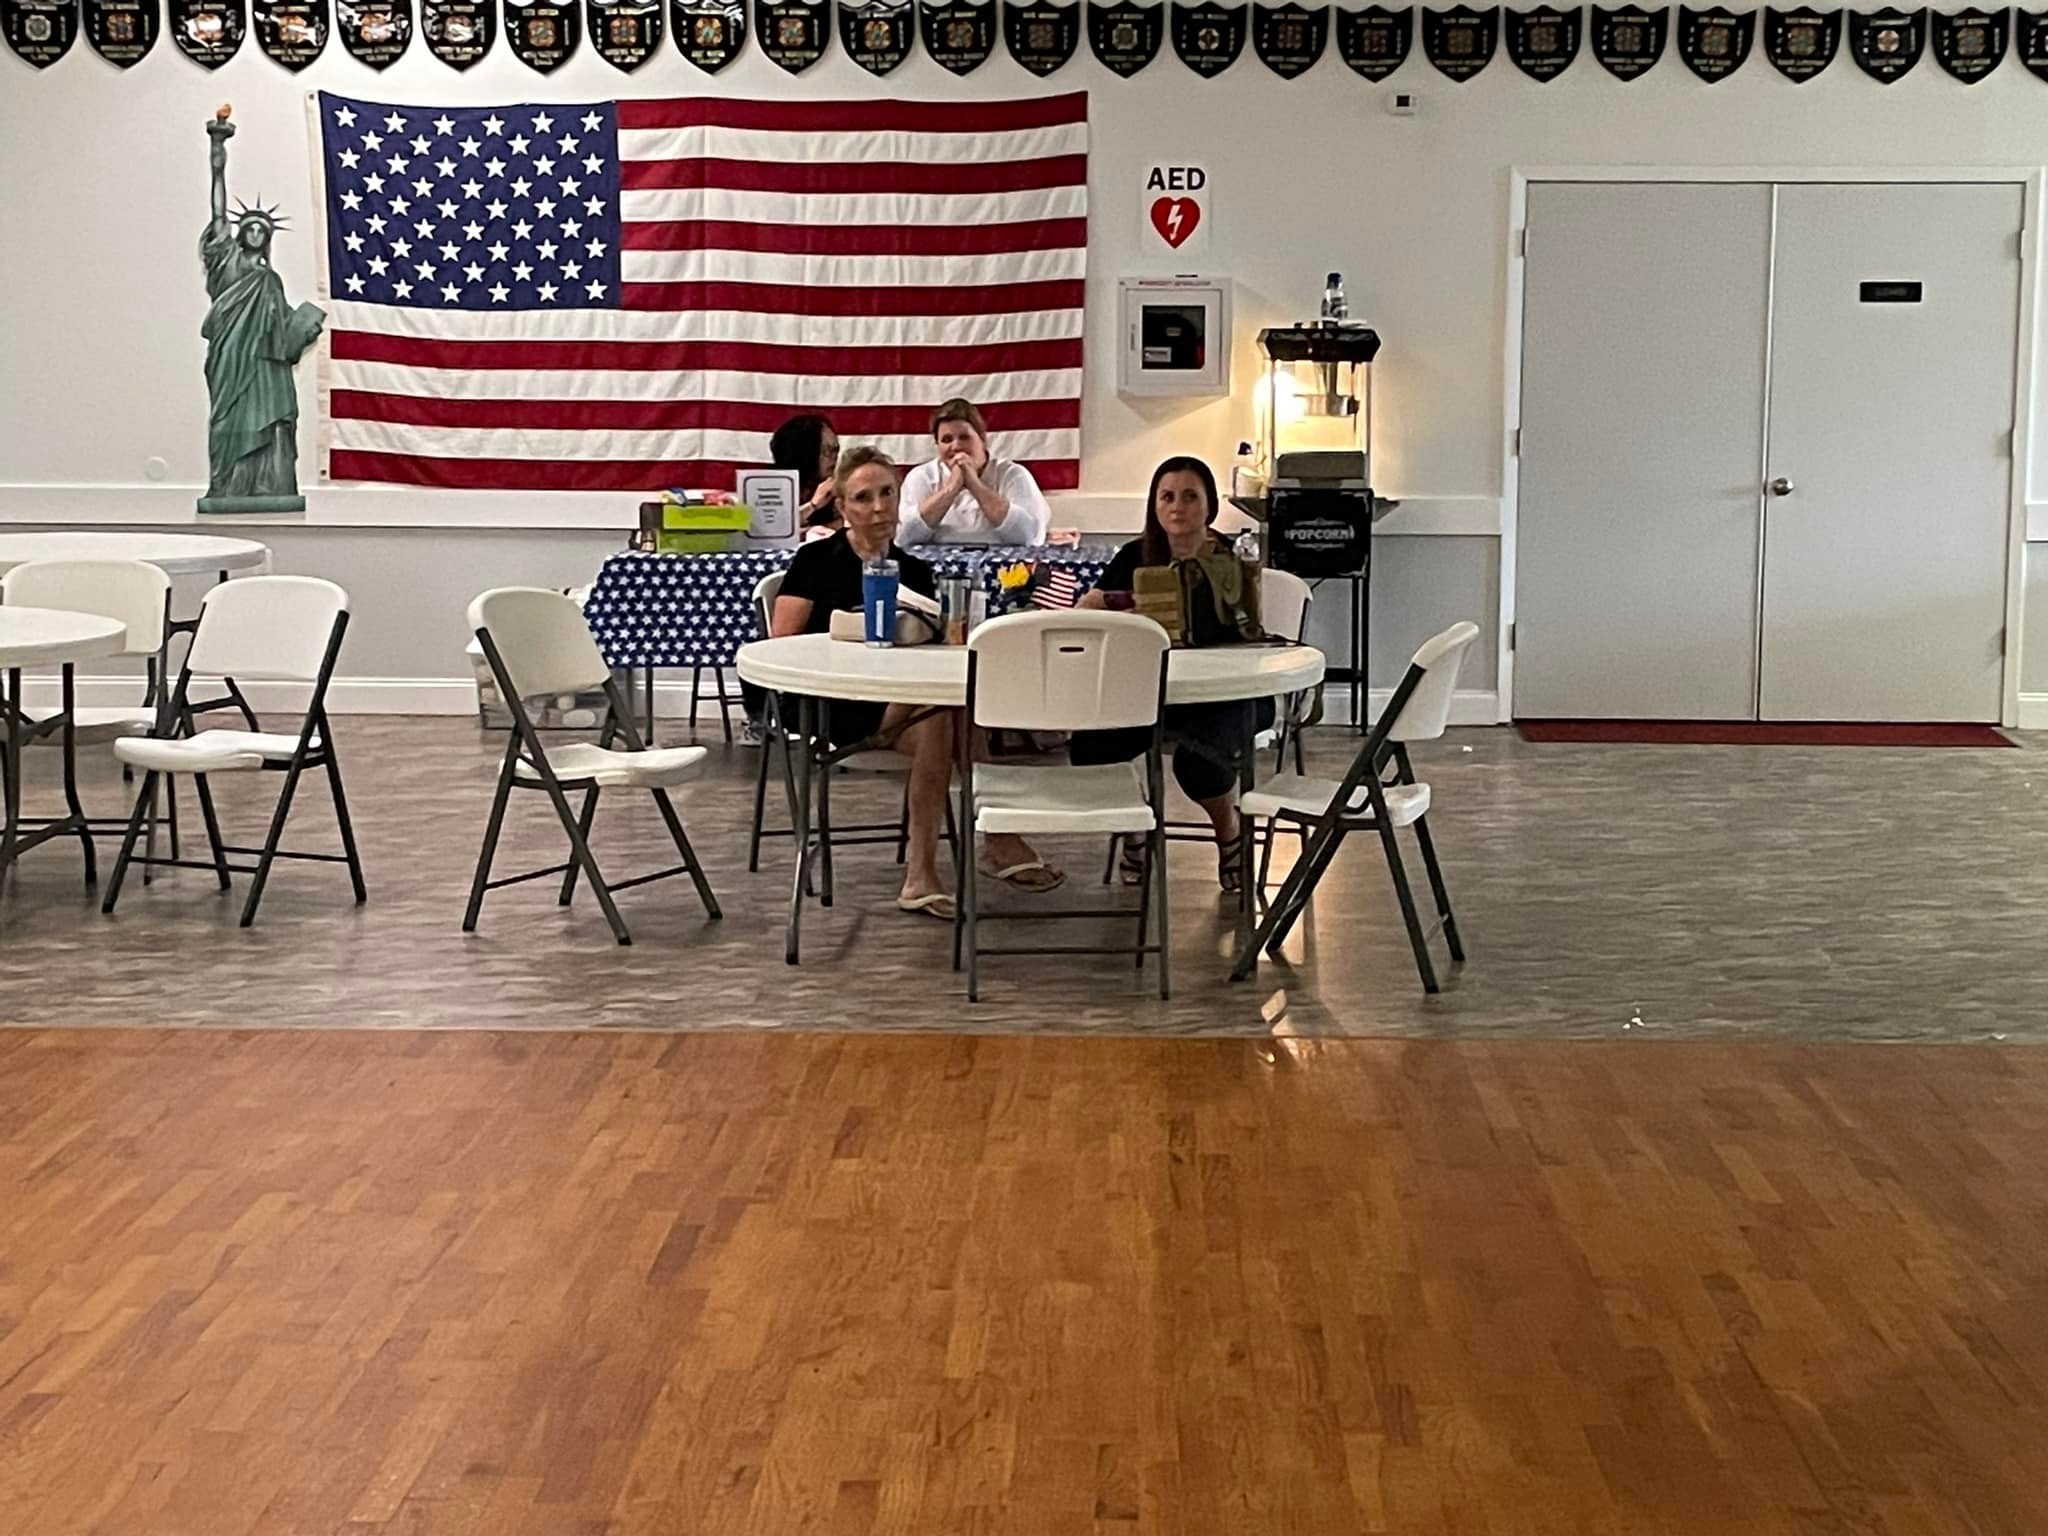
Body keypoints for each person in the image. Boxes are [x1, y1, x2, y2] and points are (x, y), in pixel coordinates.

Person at [771, 447, 1062, 919]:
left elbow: (929, 647)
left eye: (887, 493)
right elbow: (781, 645)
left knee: (948, 712)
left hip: (903, 697)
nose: (879, 507)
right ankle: (991, 844)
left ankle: (932, 870)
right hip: (837, 702)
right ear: (842, 507)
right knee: (945, 714)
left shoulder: (915, 570)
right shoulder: (815, 561)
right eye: (863, 497)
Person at [1073, 455, 1272, 894]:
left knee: (1198, 762)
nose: (1177, 507)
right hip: (1150, 689)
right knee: (1093, 740)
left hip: (1224, 693)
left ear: (1210, 505)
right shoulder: (1134, 556)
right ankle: (1135, 829)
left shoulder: (1232, 559)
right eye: (1167, 497)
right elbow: (1089, 611)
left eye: (1189, 497)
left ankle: (1229, 831)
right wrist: (1108, 606)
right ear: (1154, 505)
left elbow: (1251, 632)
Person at [897, 398, 1051, 547]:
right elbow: (903, 537)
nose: (956, 446)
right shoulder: (922, 477)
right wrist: (951, 489)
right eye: (946, 440)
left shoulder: (1013, 475)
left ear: (983, 439)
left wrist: (975, 485)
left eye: (964, 437)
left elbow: (1029, 536)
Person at [768, 413, 844, 539]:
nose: (834, 457)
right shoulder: (771, 486)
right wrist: (813, 505)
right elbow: (767, 529)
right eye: (826, 450)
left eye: (835, 449)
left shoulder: (833, 490)